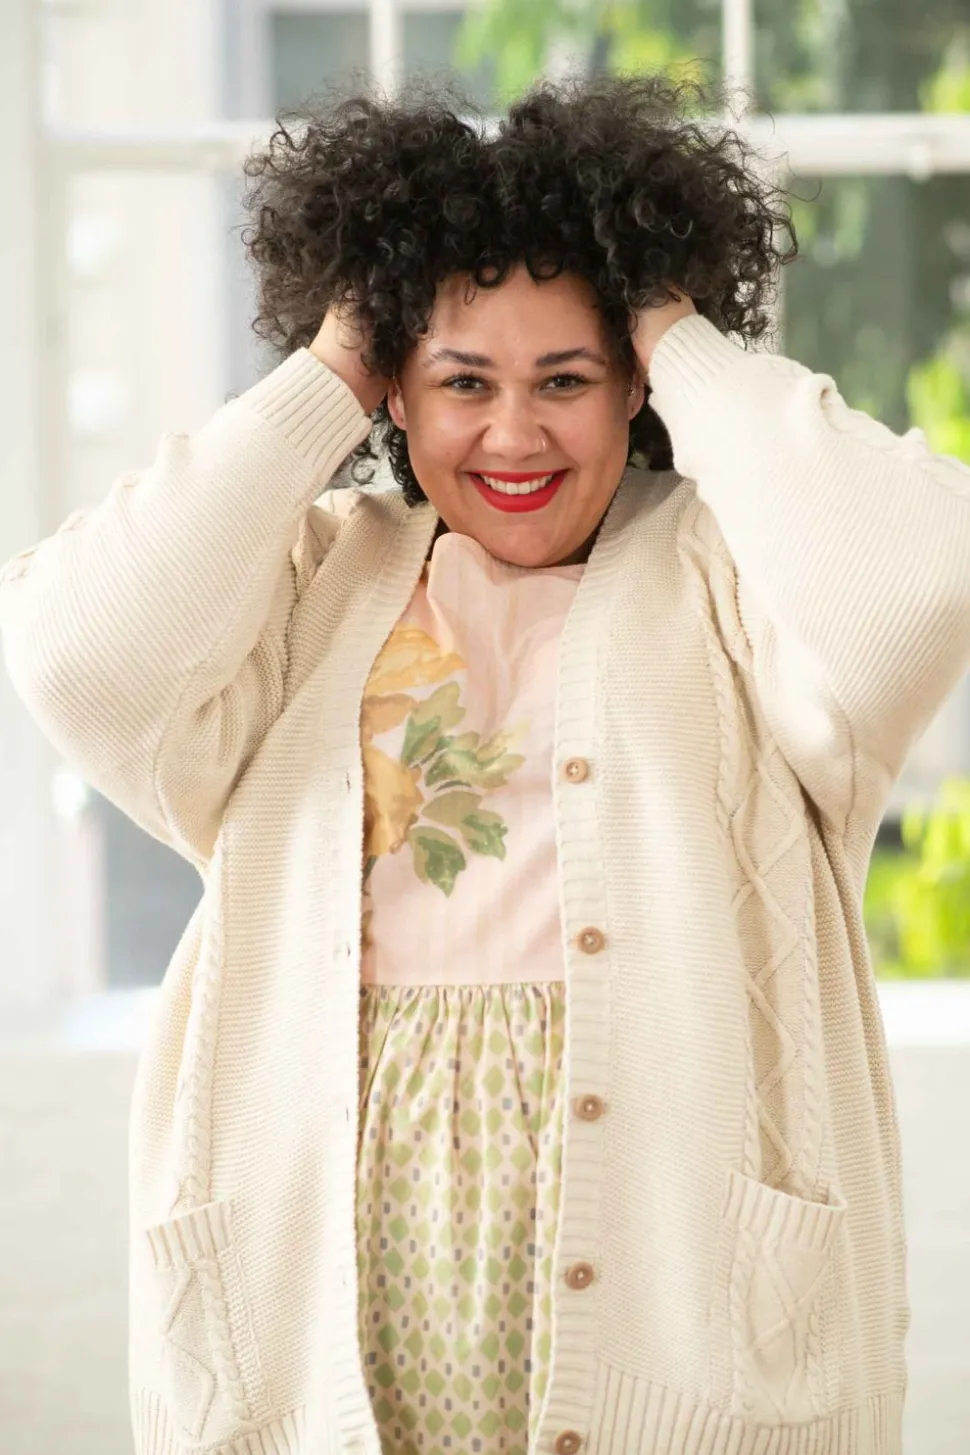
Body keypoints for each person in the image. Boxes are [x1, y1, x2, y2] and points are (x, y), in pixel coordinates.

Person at [2, 71, 970, 1455]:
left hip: (690, 1343)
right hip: (321, 1340)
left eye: (566, 379)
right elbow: (70, 646)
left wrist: (671, 324)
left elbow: (924, 572)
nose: (514, 435)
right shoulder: (307, 586)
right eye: (462, 380)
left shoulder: (739, 587)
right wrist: (336, 363)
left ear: (633, 389)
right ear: (397, 393)